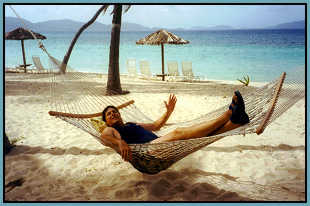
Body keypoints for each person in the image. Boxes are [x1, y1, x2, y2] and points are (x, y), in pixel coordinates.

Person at [100, 91, 249, 161]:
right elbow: (104, 137)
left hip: (160, 144)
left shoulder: (131, 124)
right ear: (106, 121)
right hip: (147, 153)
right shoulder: (111, 129)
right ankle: (228, 114)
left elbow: (156, 125)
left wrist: (168, 111)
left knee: (198, 134)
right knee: (178, 132)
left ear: (120, 114)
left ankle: (235, 123)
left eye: (115, 112)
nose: (113, 114)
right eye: (109, 114)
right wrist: (120, 142)